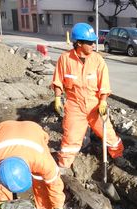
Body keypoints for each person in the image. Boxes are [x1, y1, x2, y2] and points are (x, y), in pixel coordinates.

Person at [51, 23, 125, 168]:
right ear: (79, 43)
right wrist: (57, 98)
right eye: (90, 42)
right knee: (70, 139)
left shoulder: (98, 60)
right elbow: (58, 81)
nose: (93, 45)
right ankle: (64, 166)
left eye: (94, 42)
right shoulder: (65, 59)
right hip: (74, 106)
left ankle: (118, 155)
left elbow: (104, 84)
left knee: (109, 134)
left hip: (95, 105)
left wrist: (103, 101)